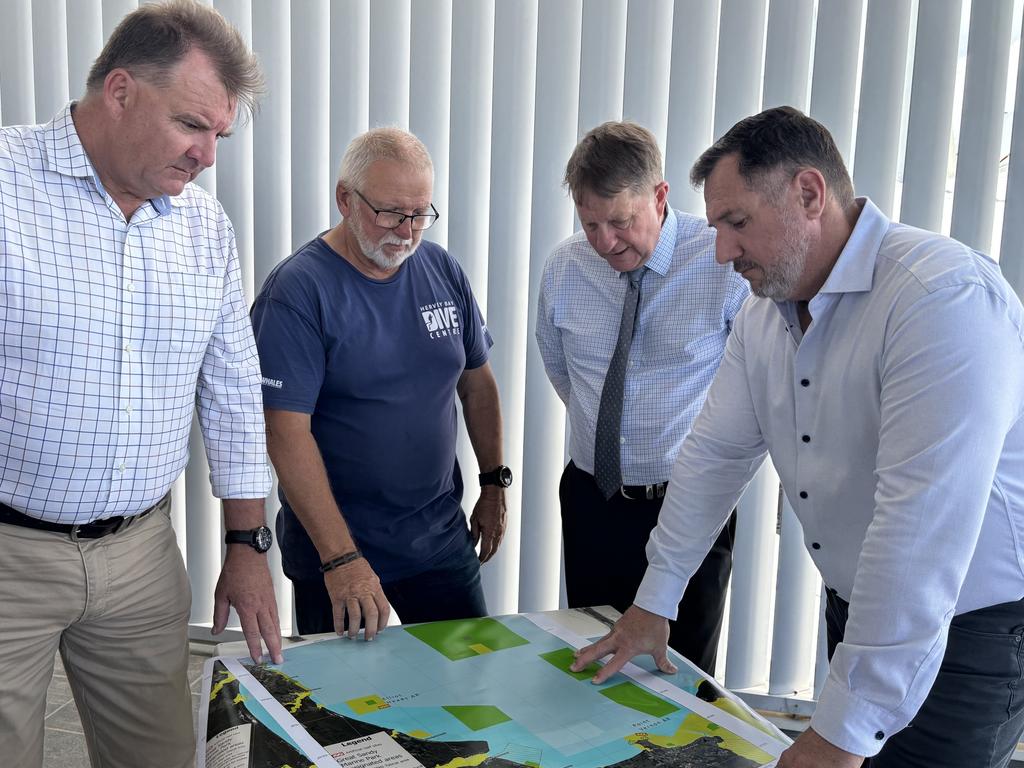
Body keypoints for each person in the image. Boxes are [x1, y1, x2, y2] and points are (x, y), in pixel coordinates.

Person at [572, 106, 1024, 768]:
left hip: (970, 629)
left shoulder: (939, 297)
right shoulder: (765, 316)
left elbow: (917, 530)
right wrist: (653, 601)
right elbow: (714, 455)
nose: (721, 251)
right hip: (862, 612)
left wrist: (842, 733)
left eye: (736, 222)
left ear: (808, 195)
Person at [0, 2, 283, 767]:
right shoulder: (5, 186)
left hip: (141, 558)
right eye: (193, 126)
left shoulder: (203, 228)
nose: (208, 156)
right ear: (119, 91)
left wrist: (248, 542)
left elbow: (231, 392)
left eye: (219, 134)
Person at [251, 127, 508, 639]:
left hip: (438, 541)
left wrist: (493, 482)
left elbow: (476, 384)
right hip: (338, 552)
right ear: (346, 199)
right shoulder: (297, 293)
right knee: (346, 714)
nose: (407, 231)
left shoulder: (442, 270)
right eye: (391, 213)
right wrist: (341, 558)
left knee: (470, 690)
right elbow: (284, 433)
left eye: (420, 214)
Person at [536, 121, 748, 674]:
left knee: (678, 674)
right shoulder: (564, 268)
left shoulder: (722, 264)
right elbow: (562, 372)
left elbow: (751, 390)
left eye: (620, 222)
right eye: (590, 224)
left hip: (688, 503)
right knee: (591, 660)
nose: (605, 242)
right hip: (593, 497)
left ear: (659, 197)